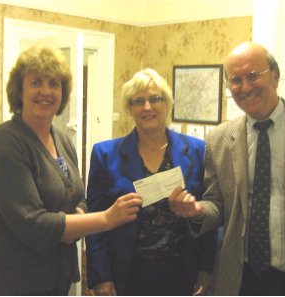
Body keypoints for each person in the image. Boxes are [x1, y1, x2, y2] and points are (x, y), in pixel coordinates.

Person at [169, 42, 285, 295]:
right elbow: (217, 204)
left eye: (253, 75)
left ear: (276, 76)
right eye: (235, 80)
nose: (245, 87)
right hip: (241, 279)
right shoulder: (219, 138)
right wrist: (197, 211)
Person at [0, 46, 142, 296]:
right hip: (9, 280)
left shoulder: (61, 139)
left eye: (54, 84)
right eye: (36, 82)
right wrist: (106, 219)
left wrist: (75, 219)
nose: (46, 92)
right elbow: (33, 223)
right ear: (20, 90)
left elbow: (78, 195)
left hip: (53, 275)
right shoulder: (4, 142)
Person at [85, 68, 217, 296]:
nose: (147, 107)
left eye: (155, 99)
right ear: (130, 108)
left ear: (167, 103)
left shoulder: (197, 150)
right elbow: (94, 223)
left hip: (183, 271)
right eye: (138, 101)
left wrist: (206, 267)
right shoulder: (105, 154)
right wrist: (101, 277)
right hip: (127, 273)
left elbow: (208, 213)